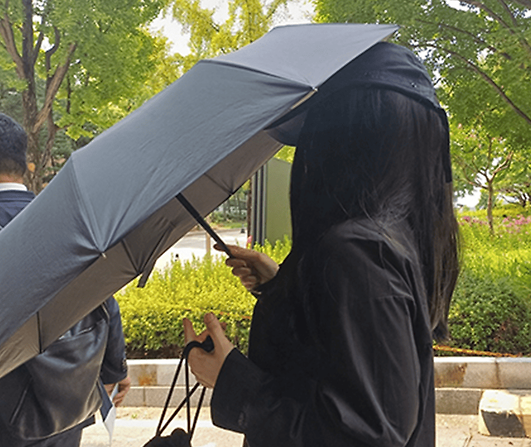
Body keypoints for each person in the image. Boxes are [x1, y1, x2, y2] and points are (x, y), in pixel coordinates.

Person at [183, 41, 460, 447]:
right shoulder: (393, 239)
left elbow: (367, 437)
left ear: (341, 141)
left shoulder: (358, 251)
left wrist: (231, 379)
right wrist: (283, 285)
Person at [0, 112, 132, 446]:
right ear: (23, 162)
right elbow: (102, 297)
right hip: (67, 405)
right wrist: (116, 369)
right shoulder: (67, 222)